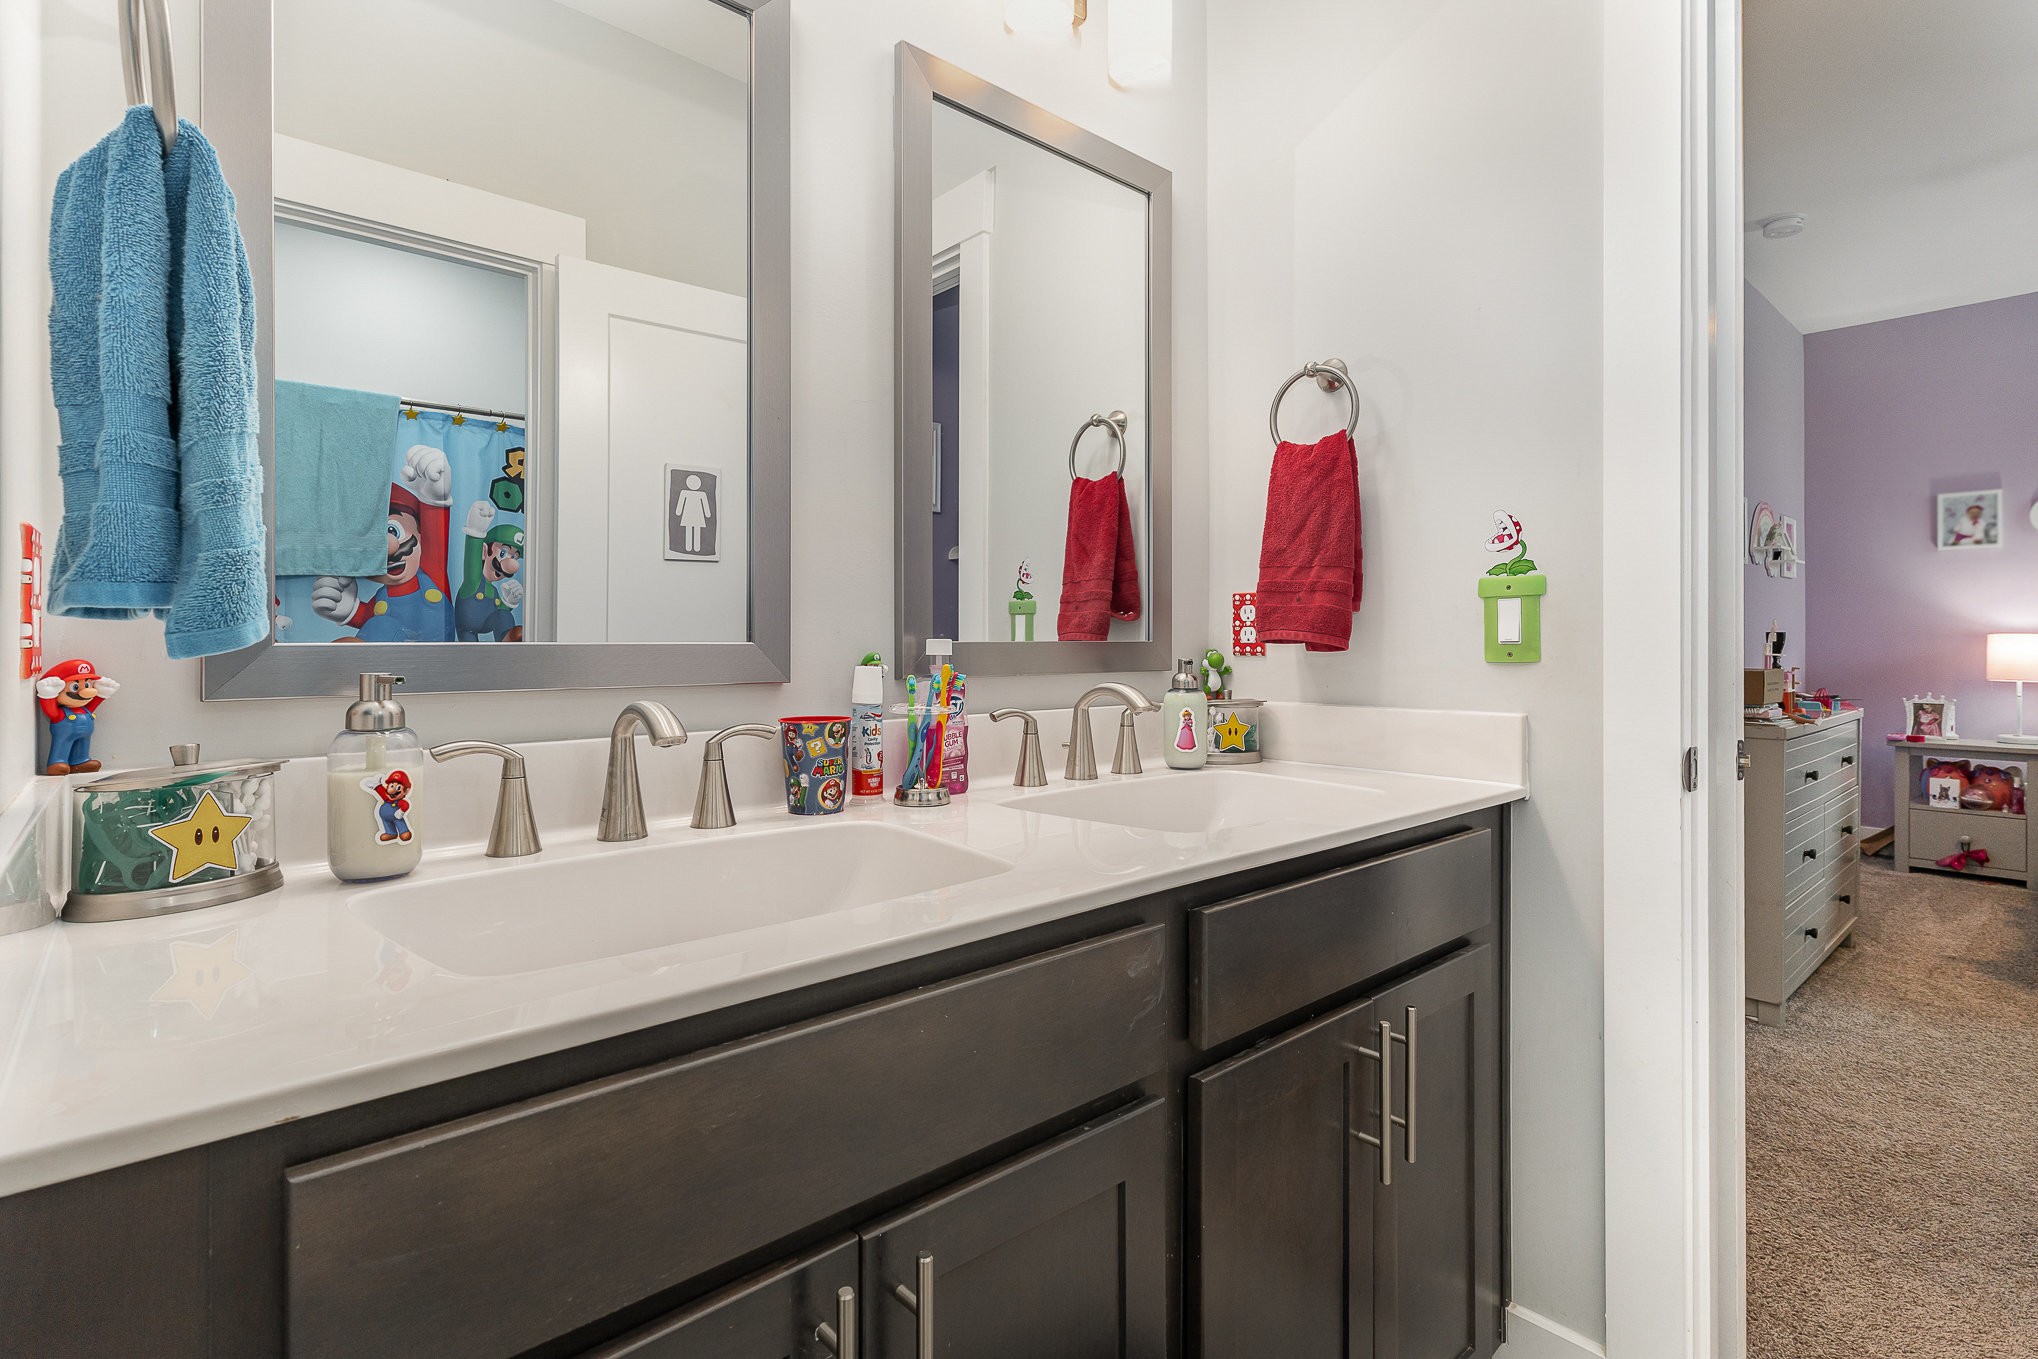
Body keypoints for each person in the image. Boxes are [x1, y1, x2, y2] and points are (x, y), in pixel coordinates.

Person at [311, 446, 455, 642]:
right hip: (394, 659)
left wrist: (433, 499)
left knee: (381, 624)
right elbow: (369, 618)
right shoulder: (382, 597)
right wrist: (350, 610)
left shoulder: (431, 574)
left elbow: (436, 541)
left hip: (434, 659)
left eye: (392, 530)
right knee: (381, 623)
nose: (386, 548)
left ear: (421, 533)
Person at [455, 501, 526, 642]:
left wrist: (508, 603)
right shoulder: (473, 582)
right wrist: (475, 533)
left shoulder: (494, 591)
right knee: (470, 650)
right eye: (503, 553)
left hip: (488, 621)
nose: (512, 563)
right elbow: (471, 562)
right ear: (484, 551)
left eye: (514, 557)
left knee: (503, 614)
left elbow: (497, 610)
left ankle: (506, 639)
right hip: (467, 629)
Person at [35, 658, 117, 775]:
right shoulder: (61, 713)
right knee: (61, 745)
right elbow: (51, 712)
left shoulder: (84, 709)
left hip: (85, 735)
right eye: (75, 687)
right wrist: (47, 695)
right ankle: (57, 762)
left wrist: (102, 694)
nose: (87, 692)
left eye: (87, 685)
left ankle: (80, 762)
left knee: (83, 745)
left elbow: (92, 705)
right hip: (64, 734)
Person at [675, 473, 713, 555]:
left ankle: (696, 547)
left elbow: (705, 505)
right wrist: (678, 511)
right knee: (689, 530)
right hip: (688, 515)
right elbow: (681, 503)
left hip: (698, 515)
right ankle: (689, 547)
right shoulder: (684, 492)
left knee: (696, 530)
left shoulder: (701, 494)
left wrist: (707, 513)